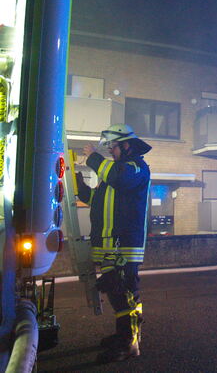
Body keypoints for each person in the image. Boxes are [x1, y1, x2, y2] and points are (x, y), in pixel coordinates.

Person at [76, 124, 152, 363]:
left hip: (123, 244)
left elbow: (118, 177)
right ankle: (127, 336)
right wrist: (76, 180)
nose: (110, 150)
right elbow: (94, 199)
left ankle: (128, 343)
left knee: (124, 294)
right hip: (112, 244)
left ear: (127, 146)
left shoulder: (135, 168)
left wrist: (92, 157)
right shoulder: (115, 174)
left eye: (114, 146)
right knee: (120, 293)